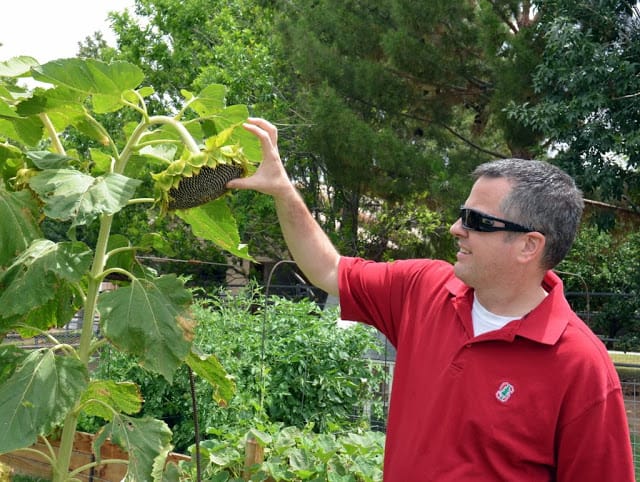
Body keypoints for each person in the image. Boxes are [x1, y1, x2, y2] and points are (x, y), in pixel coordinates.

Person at [227, 117, 635, 481]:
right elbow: (329, 270)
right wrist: (284, 191)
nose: (456, 228)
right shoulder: (424, 289)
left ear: (529, 246)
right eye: (463, 213)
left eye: (477, 221)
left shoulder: (581, 366)